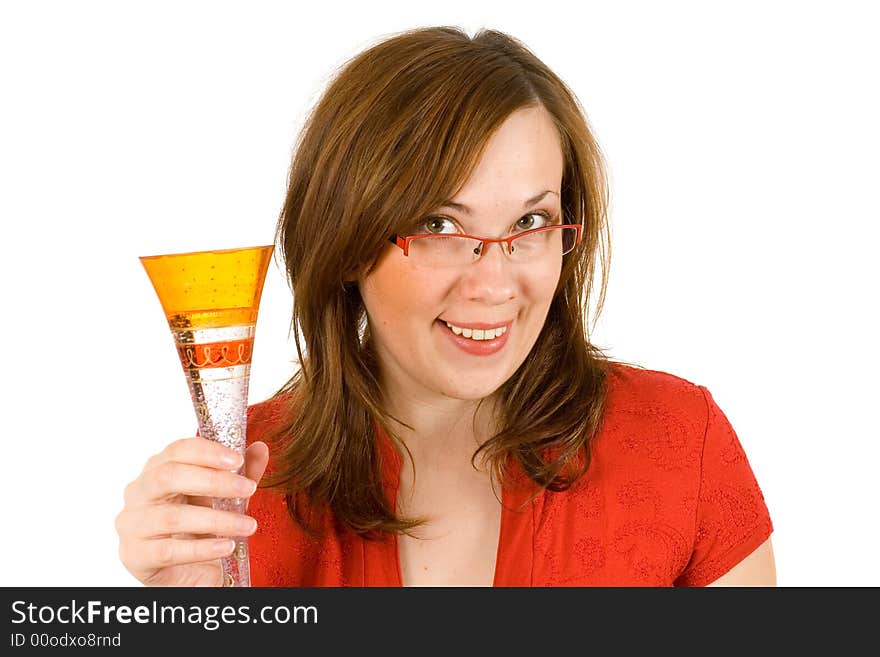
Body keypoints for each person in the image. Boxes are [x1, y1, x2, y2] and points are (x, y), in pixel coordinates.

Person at [116, 25, 775, 587]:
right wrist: (189, 617)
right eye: (437, 225)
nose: (493, 283)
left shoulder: (680, 442)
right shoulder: (236, 494)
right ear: (346, 242)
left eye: (532, 220)